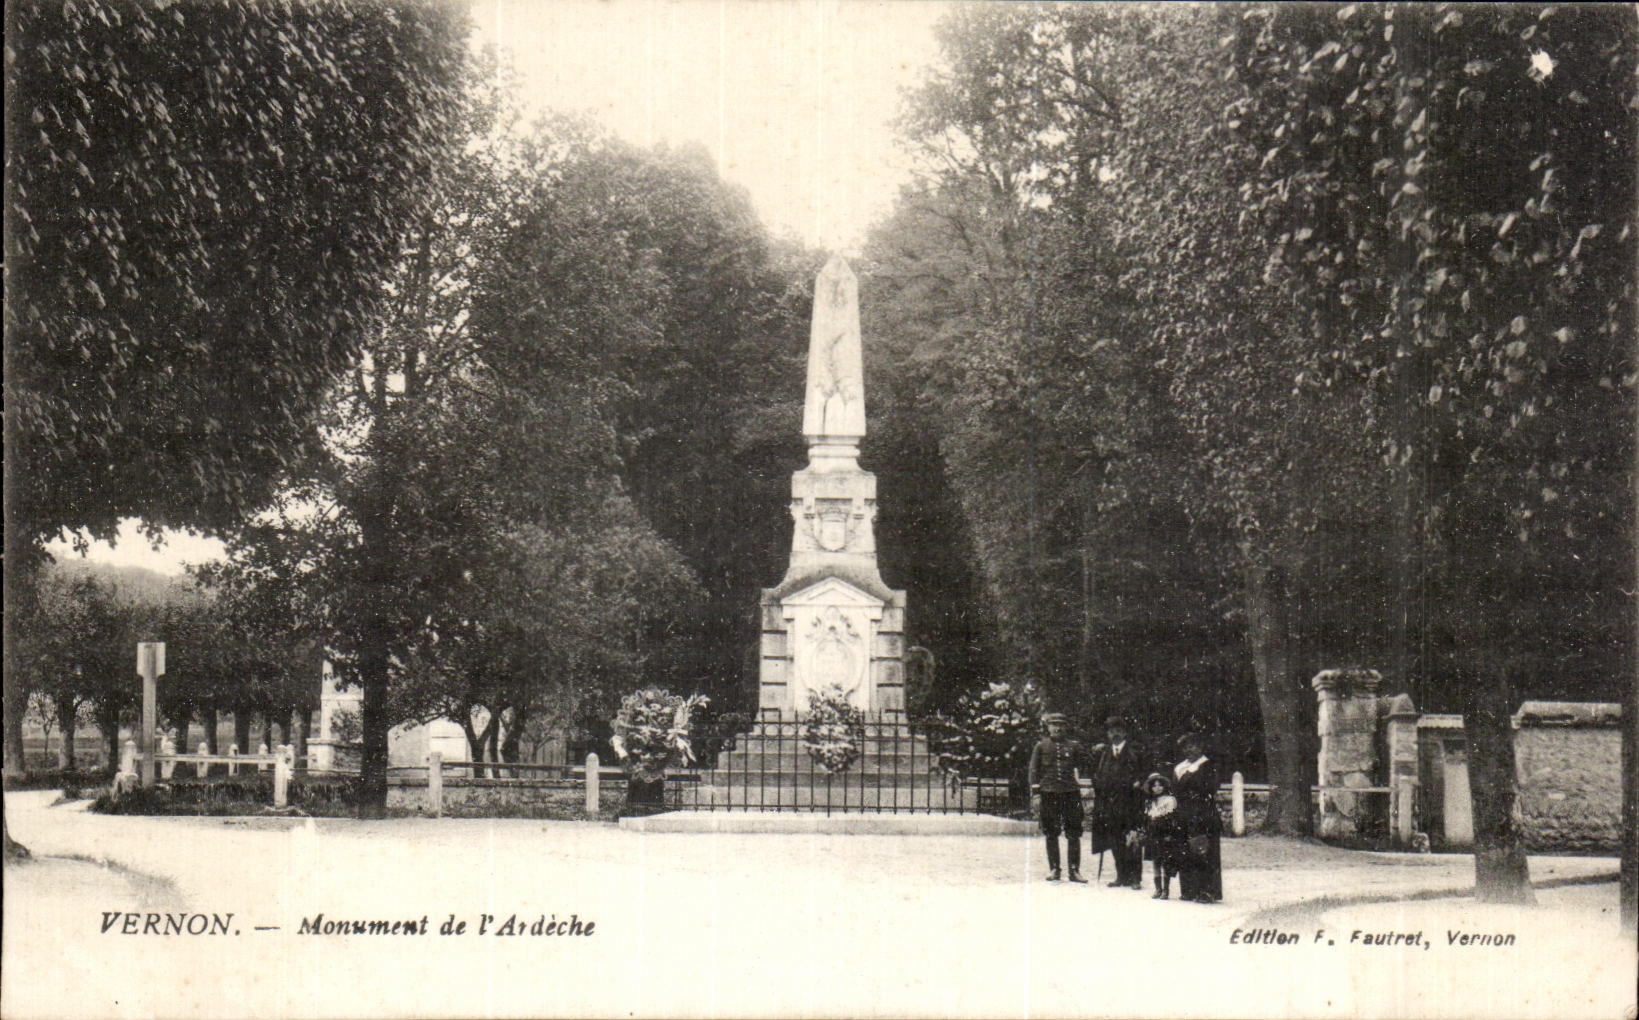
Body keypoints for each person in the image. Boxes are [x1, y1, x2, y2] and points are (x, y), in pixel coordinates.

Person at [1028, 712, 1088, 883]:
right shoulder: (1041, 746)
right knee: (1051, 832)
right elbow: (1034, 771)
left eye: (1061, 725)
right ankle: (1054, 869)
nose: (1057, 728)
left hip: (1070, 793)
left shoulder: (1074, 747)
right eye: (1053, 725)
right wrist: (1036, 794)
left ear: (1066, 727)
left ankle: (1074, 870)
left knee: (1074, 832)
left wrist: (1080, 781)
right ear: (1048, 728)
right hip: (1049, 793)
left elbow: (1083, 766)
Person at [1089, 716, 1146, 889]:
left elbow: (1144, 773)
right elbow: (1095, 775)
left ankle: (1135, 878)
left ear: (1125, 733)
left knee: (1132, 839)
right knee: (1115, 840)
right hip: (1110, 804)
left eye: (1119, 731)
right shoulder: (1103, 753)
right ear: (1107, 734)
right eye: (1111, 731)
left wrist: (1138, 783)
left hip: (1130, 803)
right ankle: (1121, 875)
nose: (1115, 735)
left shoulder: (1135, 752)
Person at [1172, 733, 1223, 903]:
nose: (1189, 750)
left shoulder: (1208, 766)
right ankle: (1188, 889)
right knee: (1185, 849)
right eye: (1186, 747)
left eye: (1193, 746)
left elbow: (1211, 788)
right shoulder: (1180, 768)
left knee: (1205, 851)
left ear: (1200, 747)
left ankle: (1207, 891)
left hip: (1203, 814)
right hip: (1184, 813)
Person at [1141, 772, 1186, 899]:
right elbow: (1147, 818)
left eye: (1160, 785)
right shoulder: (1149, 802)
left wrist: (1169, 834)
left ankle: (1166, 890)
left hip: (1165, 835)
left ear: (1164, 786)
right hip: (1153, 835)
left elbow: (1171, 819)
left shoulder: (1169, 800)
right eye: (1154, 786)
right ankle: (1158, 889)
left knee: (1166, 862)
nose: (1157, 788)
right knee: (1156, 861)